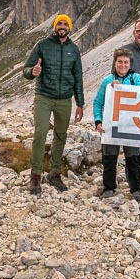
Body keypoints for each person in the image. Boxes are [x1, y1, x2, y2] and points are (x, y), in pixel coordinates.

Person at [22, 14, 85, 195]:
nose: (62, 26)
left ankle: (54, 173)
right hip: (43, 96)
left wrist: (80, 104)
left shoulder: (74, 49)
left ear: (70, 28)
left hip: (64, 99)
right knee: (40, 132)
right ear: (55, 27)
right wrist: (33, 72)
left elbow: (78, 78)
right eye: (59, 24)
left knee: (60, 135)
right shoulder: (42, 45)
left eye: (65, 24)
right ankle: (35, 175)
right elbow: (26, 70)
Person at [93, 48, 140, 200]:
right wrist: (98, 121)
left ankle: (135, 187)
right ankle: (109, 187)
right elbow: (97, 102)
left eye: (126, 62)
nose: (123, 65)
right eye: (120, 62)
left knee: (133, 157)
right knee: (110, 156)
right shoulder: (107, 80)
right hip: (112, 125)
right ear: (115, 63)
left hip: (131, 125)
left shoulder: (137, 78)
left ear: (130, 64)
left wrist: (123, 89)